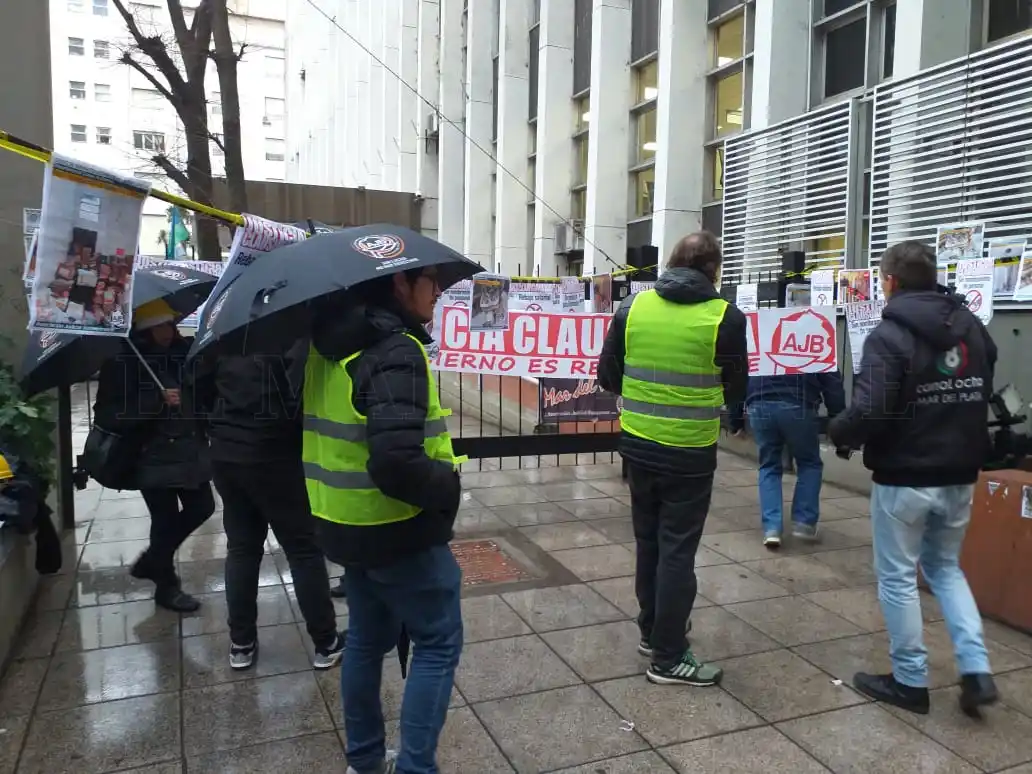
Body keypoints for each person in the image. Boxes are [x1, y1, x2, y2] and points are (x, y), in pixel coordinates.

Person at [304, 267, 465, 774]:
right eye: (431, 282)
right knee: (437, 642)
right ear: (400, 284)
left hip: (344, 526)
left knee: (367, 642)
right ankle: (415, 768)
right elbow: (396, 461)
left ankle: (365, 762)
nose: (438, 292)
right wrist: (447, 488)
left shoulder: (324, 347)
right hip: (399, 529)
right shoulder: (395, 350)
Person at [829, 241, 998, 716]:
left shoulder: (889, 335)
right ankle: (976, 670)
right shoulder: (971, 327)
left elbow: (872, 408)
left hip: (904, 475)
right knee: (946, 568)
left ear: (891, 282)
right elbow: (986, 379)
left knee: (898, 576)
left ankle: (909, 680)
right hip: (960, 469)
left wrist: (840, 430)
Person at [598, 231, 748, 687]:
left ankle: (652, 631)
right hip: (690, 454)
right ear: (713, 270)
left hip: (639, 446)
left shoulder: (632, 308)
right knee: (678, 551)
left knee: (649, 543)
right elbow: (737, 388)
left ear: (670, 263)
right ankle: (668, 656)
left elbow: (607, 376)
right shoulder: (725, 317)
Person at [193, 340, 343, 671]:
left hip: (227, 454)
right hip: (276, 455)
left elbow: (198, 389)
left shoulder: (223, 335)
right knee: (303, 549)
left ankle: (242, 643)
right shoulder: (293, 338)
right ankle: (326, 641)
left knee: (242, 549)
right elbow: (303, 396)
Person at [92, 298, 214, 612]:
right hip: (149, 455)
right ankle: (166, 586)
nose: (169, 330)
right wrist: (156, 401)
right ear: (145, 328)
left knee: (203, 507)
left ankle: (152, 560)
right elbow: (108, 415)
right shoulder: (122, 362)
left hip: (189, 449)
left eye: (171, 324)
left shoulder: (182, 353)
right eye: (162, 325)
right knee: (164, 519)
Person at [730, 370, 845, 548]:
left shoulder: (758, 340)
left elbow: (740, 373)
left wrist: (735, 419)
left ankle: (772, 529)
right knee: (809, 463)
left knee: (769, 465)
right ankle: (804, 523)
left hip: (760, 401)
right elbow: (832, 382)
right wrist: (838, 418)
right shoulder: (818, 340)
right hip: (799, 403)